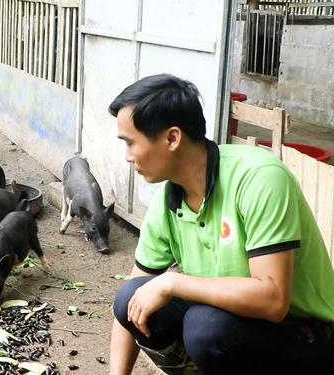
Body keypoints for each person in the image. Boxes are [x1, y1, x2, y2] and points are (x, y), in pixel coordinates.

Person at [108, 74, 334, 375]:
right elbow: (133, 301)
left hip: (305, 335)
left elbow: (273, 300)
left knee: (205, 328)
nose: (127, 156)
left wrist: (174, 282)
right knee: (129, 298)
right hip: (236, 324)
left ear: (172, 138)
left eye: (130, 143)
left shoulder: (259, 177)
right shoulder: (167, 200)